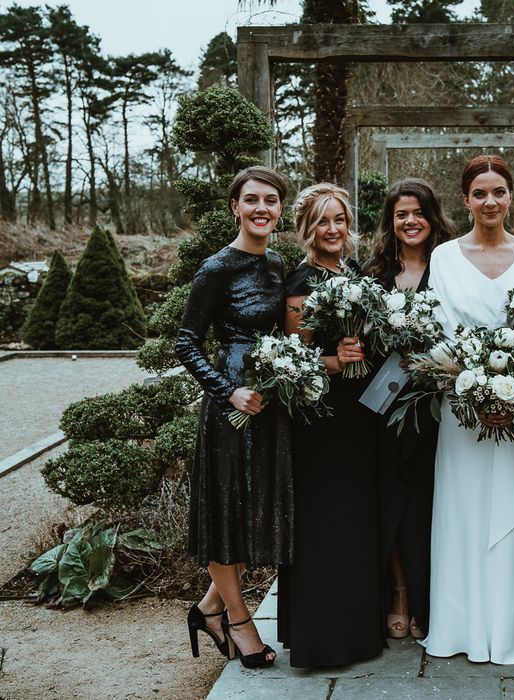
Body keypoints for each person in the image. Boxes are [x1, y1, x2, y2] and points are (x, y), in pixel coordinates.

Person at [421, 155, 514, 664]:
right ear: (466, 200)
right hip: (462, 409)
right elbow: (436, 333)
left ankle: (509, 626)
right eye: (480, 193)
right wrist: (473, 390)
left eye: (499, 192)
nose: (490, 201)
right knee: (463, 509)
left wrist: (513, 389)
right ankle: (460, 627)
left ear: (511, 197)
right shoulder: (444, 257)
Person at [176, 166, 292, 669]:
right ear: (235, 208)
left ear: (281, 209)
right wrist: (228, 390)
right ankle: (239, 625)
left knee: (249, 511)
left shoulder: (279, 265)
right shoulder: (216, 268)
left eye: (270, 200)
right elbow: (186, 341)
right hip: (231, 407)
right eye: (251, 200)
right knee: (226, 513)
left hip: (270, 405)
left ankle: (206, 609)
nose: (261, 208)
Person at [277, 183, 384, 667]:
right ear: (307, 228)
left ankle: (359, 630)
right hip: (320, 419)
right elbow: (295, 358)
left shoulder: (356, 273)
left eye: (339, 219)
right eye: (323, 221)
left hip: (359, 416)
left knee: (356, 520)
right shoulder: (301, 281)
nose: (333, 229)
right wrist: (335, 361)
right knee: (324, 522)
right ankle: (322, 637)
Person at [365, 178, 455, 640]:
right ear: (391, 221)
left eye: (417, 212)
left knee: (430, 502)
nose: (410, 221)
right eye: (401, 214)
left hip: (437, 404)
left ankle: (428, 595)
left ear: (431, 215)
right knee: (393, 501)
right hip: (384, 403)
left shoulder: (449, 264)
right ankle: (399, 590)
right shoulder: (374, 273)